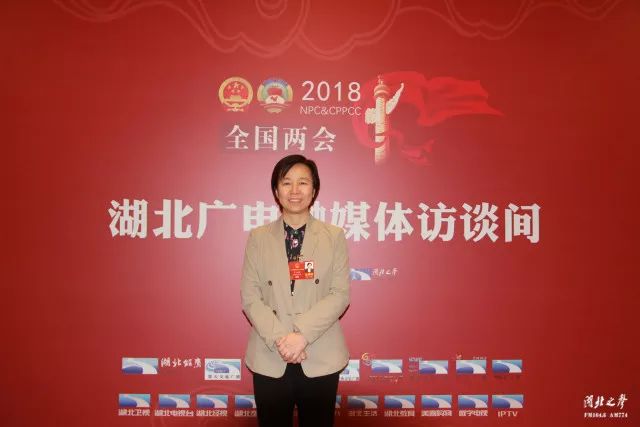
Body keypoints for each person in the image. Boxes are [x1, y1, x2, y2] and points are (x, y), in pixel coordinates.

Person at [240, 154, 350, 427]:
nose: (295, 190)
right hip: (270, 354)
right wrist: (283, 341)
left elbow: (339, 294)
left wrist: (301, 336)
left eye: (303, 182)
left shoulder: (333, 236)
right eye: (286, 182)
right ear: (276, 191)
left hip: (319, 353)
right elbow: (250, 297)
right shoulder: (258, 238)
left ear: (314, 190)